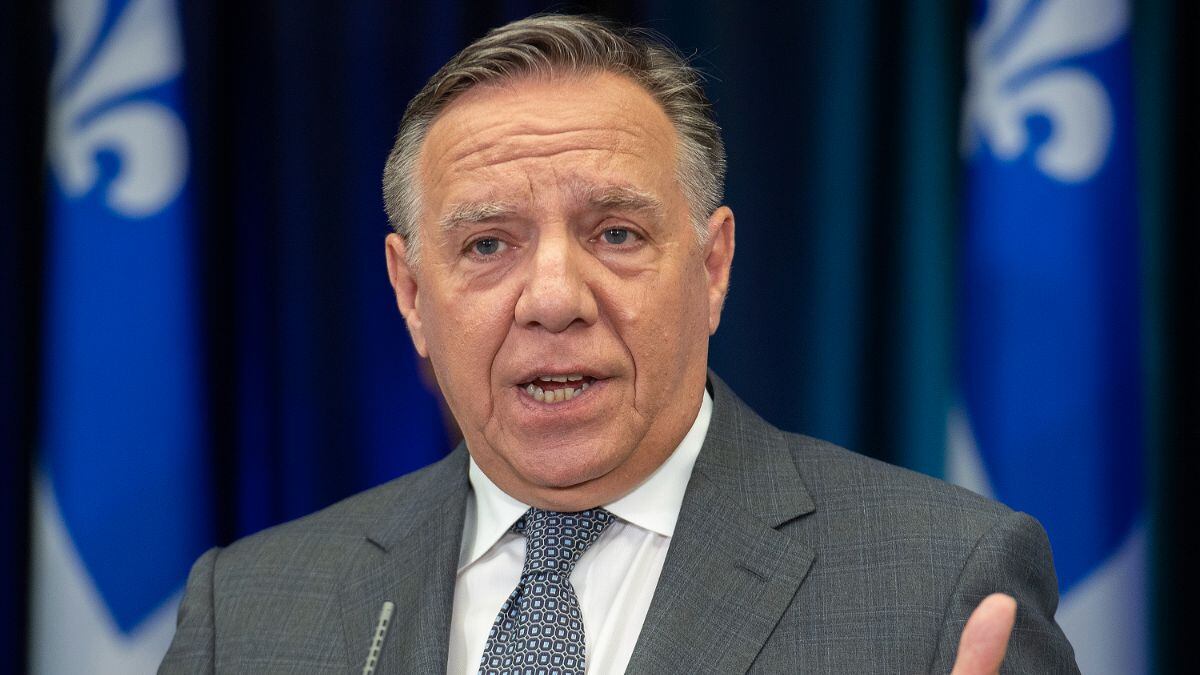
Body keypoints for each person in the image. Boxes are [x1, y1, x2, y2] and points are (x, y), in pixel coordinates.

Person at [160, 14, 1078, 674]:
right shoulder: (247, 615)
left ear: (712, 266)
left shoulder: (942, 584)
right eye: (488, 245)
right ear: (410, 294)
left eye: (616, 233)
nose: (554, 300)